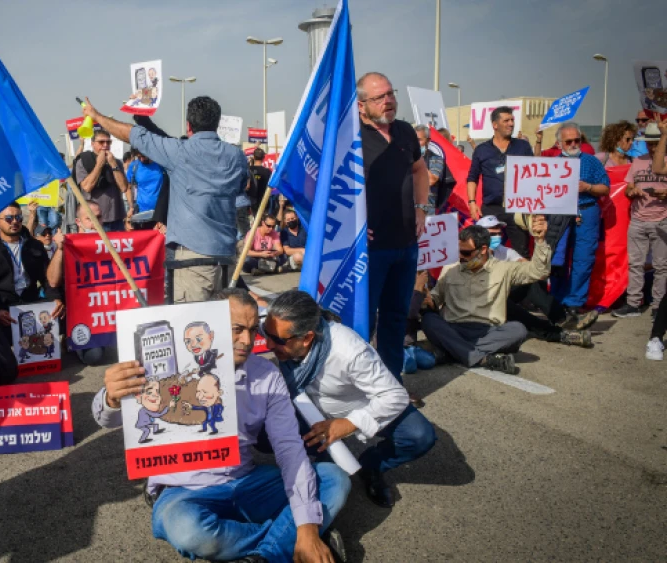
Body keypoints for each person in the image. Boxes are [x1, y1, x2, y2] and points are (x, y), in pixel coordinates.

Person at [93, 288, 350, 563]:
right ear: (210, 328)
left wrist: (307, 527)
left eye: (253, 330)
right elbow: (105, 419)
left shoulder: (266, 375)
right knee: (189, 532)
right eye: (237, 329)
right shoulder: (167, 365)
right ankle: (287, 541)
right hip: (185, 492)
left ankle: (268, 554)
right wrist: (111, 397)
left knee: (334, 479)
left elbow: (288, 448)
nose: (247, 340)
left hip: (246, 480)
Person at [263, 290, 436, 510]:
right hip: (307, 408)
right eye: (265, 333)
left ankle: (371, 466)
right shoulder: (283, 333)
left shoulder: (349, 351)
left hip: (353, 408)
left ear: (307, 338)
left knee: (419, 436)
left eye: (277, 340)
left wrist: (349, 424)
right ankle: (317, 458)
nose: (268, 346)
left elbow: (394, 395)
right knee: (263, 433)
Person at [82, 95, 248, 303]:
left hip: (192, 259)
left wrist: (96, 115)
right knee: (223, 324)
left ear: (189, 126)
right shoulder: (237, 156)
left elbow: (132, 134)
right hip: (227, 255)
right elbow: (242, 188)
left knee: (194, 328)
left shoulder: (178, 151)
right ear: (217, 123)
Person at [357, 72, 432, 388]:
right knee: (363, 323)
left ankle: (391, 386)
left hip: (405, 244)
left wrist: (421, 208)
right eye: (379, 97)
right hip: (369, 249)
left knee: (395, 318)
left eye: (390, 94)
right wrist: (355, 228)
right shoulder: (350, 136)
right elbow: (331, 189)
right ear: (362, 106)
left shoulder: (404, 132)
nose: (388, 101)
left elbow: (419, 170)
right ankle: (360, 387)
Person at [422, 219, 551, 375]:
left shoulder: (503, 269)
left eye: (466, 253)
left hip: (488, 331)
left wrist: (540, 240)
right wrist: (429, 300)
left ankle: (453, 352)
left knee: (518, 330)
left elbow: (539, 272)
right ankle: (482, 359)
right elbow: (436, 297)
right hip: (454, 327)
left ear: (483, 250)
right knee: (429, 320)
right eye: (458, 251)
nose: (461, 257)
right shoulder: (451, 268)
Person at [478, 216, 592, 348]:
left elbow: (530, 269)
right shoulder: (469, 254)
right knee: (515, 311)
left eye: (499, 233)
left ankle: (562, 319)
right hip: (483, 304)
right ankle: (557, 334)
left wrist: (540, 240)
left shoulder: (502, 250)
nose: (497, 237)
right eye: (493, 234)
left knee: (531, 280)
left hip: (501, 294)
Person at [545, 123, 609, 323]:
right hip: (559, 214)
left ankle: (574, 303)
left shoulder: (591, 161)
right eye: (569, 141)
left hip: (587, 211)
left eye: (577, 140)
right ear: (559, 143)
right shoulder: (552, 164)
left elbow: (605, 188)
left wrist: (588, 187)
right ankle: (557, 301)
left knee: (583, 259)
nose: (573, 144)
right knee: (557, 259)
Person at [0, 202, 64, 331]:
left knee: (61, 313)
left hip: (30, 302)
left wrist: (55, 299)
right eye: (9, 218)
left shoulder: (34, 245)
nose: (14, 222)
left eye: (18, 218)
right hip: (3, 307)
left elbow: (47, 278)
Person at [615, 120, 667, 319]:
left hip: (662, 219)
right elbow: (628, 187)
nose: (652, 146)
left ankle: (658, 306)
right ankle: (633, 303)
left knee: (662, 266)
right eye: (649, 143)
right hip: (637, 220)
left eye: (656, 142)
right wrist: (632, 190)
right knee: (635, 264)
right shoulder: (638, 161)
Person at [467, 106, 535, 256]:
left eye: (512, 120)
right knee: (488, 249)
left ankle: (520, 279)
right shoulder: (482, 150)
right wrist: (472, 202)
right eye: (506, 120)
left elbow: (533, 173)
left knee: (521, 251)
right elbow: (472, 178)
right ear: (495, 125)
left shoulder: (522, 146)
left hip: (517, 208)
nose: (511, 124)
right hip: (491, 208)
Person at [73, 130, 132, 232]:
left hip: (116, 219)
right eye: (101, 142)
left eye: (108, 142)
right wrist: (99, 164)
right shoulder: (83, 161)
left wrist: (113, 165)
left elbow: (124, 187)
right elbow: (86, 187)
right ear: (92, 144)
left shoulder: (116, 161)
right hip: (95, 221)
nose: (105, 145)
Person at [125, 149, 164, 217]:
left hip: (160, 211)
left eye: (143, 156)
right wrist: (131, 206)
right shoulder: (134, 166)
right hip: (141, 212)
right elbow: (128, 187)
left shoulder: (161, 164)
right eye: (139, 157)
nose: (142, 159)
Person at [414, 124, 445, 209]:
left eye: (419, 140)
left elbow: (431, 180)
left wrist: (418, 159)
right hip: (409, 209)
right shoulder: (406, 157)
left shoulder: (435, 158)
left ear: (428, 141)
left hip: (427, 210)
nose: (415, 144)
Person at [249, 148, 274, 214]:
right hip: (264, 201)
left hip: (250, 201)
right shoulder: (267, 171)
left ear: (253, 157)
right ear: (264, 157)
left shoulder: (248, 170)